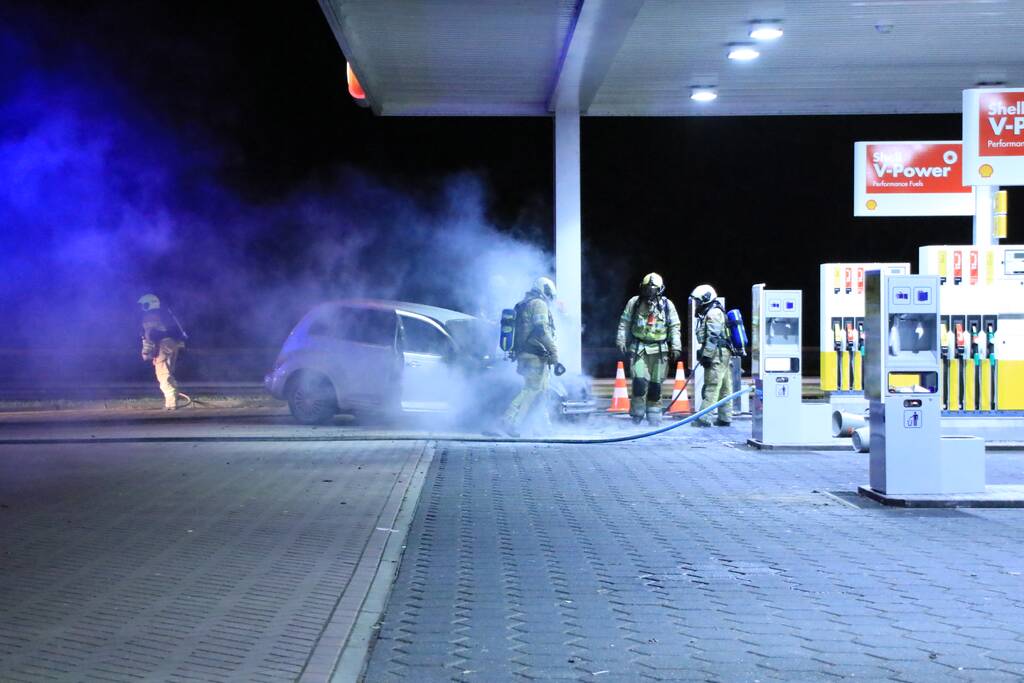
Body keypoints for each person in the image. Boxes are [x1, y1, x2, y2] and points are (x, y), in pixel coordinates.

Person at [616, 273, 682, 425]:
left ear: (659, 290)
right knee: (639, 383)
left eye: (652, 290)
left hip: (659, 350)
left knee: (655, 385)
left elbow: (674, 326)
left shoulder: (666, 306)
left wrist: (676, 346)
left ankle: (654, 417)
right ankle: (637, 415)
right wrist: (621, 339)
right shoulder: (635, 303)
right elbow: (624, 322)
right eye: (646, 289)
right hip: (639, 348)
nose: (649, 293)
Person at [501, 276, 559, 437]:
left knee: (542, 391)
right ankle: (509, 421)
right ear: (543, 289)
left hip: (524, 354)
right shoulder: (538, 304)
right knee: (532, 390)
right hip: (535, 355)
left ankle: (542, 428)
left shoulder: (523, 304)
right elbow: (541, 331)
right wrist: (554, 353)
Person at [690, 284, 732, 427]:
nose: (697, 304)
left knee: (712, 386)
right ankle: (725, 417)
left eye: (698, 301)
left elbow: (713, 336)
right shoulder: (714, 311)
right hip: (722, 353)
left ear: (706, 299)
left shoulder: (713, 313)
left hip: (717, 354)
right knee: (725, 387)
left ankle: (704, 419)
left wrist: (706, 355)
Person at [138, 294, 187, 410]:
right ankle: (173, 398)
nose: (141, 308)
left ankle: (171, 404)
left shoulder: (149, 317)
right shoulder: (163, 315)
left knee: (163, 375)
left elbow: (149, 336)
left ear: (148, 304)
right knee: (168, 373)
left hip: (163, 346)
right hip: (171, 345)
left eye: (142, 305)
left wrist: (146, 352)